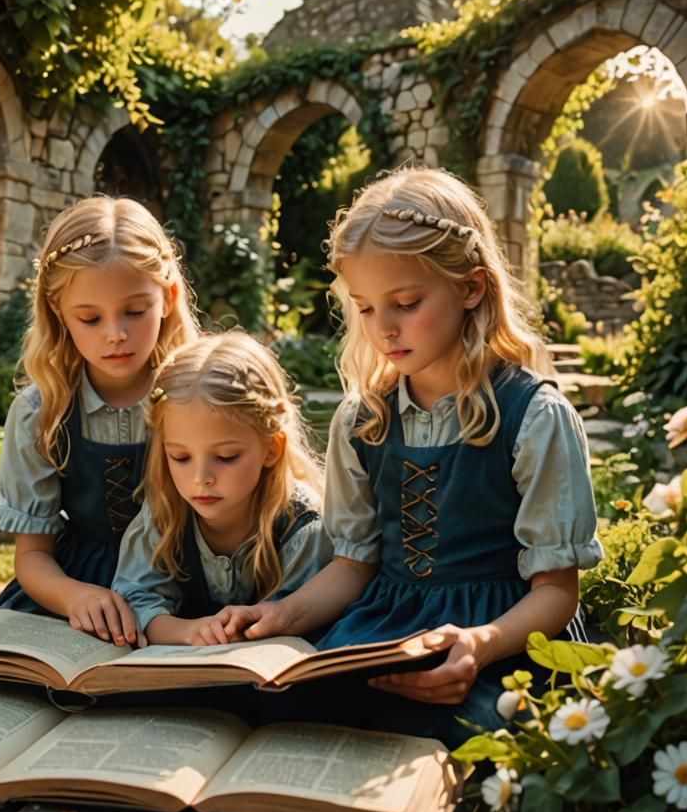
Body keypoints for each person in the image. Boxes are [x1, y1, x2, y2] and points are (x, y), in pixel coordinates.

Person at [214, 167, 602, 746]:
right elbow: (353, 566)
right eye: (366, 308)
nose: (383, 329)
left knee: (471, 729)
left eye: (406, 302)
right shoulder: (364, 420)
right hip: (384, 626)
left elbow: (556, 593)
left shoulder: (534, 417)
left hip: (502, 631)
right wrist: (284, 615)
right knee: (279, 713)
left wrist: (479, 644)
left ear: (471, 288)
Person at [0, 196, 199, 645]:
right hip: (79, 585)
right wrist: (75, 596)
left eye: (135, 311)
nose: (115, 334)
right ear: (59, 312)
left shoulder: (198, 396)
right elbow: (32, 557)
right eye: (90, 318)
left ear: (168, 298)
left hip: (188, 583)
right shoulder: (40, 413)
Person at [112, 331, 333, 646]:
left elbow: (301, 621)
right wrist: (189, 632)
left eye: (226, 457)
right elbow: (137, 601)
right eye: (180, 457)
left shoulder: (303, 524)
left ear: (271, 449)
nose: (201, 477)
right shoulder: (166, 511)